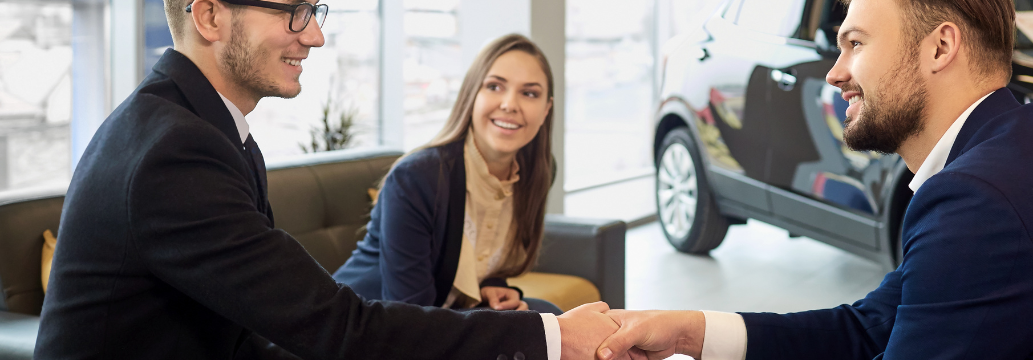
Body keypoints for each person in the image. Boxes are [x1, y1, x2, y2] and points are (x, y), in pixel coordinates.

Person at [593, 0, 1033, 359]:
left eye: (856, 44)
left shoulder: (985, 195)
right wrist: (688, 331)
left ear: (939, 48)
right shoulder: (1008, 150)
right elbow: (874, 326)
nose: (835, 72)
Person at [35, 0, 616, 359]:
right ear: (209, 14)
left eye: (315, 10)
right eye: (292, 10)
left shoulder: (204, 129)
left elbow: (247, 331)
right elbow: (337, 327)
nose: (313, 35)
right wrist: (554, 340)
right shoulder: (176, 151)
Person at [332, 34, 561, 315]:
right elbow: (410, 314)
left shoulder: (537, 172)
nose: (510, 104)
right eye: (494, 86)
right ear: (471, 94)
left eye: (529, 93)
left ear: (546, 108)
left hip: (439, 317)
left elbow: (482, 254)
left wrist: (492, 283)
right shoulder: (417, 177)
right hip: (366, 326)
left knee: (549, 315)